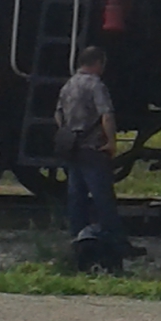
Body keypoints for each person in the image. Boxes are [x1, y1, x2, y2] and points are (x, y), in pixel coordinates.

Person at [56, 45, 130, 252]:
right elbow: (106, 115)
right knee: (102, 195)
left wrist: (68, 132)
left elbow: (58, 114)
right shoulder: (96, 85)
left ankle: (77, 237)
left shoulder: (69, 84)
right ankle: (115, 240)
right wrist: (111, 141)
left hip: (72, 147)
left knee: (76, 195)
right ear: (98, 63)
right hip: (93, 147)